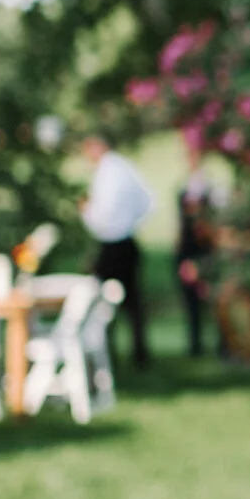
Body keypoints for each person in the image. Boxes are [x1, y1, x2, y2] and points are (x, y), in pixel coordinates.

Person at [79, 133, 154, 370]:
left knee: (102, 300)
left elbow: (102, 216)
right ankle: (137, 352)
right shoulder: (124, 167)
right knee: (132, 303)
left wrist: (87, 211)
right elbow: (147, 202)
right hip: (127, 241)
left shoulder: (106, 173)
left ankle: (104, 353)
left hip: (112, 243)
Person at [175, 139, 224, 358]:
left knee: (212, 298)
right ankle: (195, 345)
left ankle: (223, 344)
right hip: (188, 249)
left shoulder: (210, 189)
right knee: (190, 302)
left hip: (206, 250)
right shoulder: (182, 188)